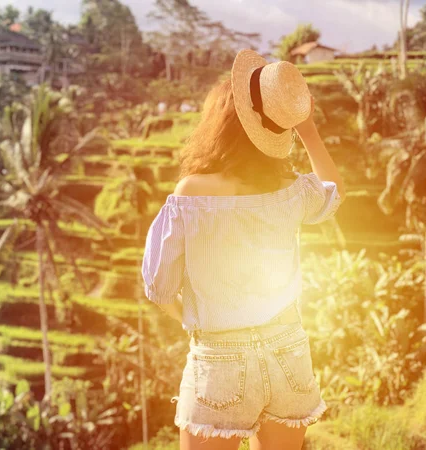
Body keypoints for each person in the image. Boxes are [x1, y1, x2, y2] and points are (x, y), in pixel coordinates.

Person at [141, 49, 346, 450]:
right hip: (289, 349)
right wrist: (309, 130)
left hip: (220, 356)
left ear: (222, 122)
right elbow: (333, 193)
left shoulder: (191, 194)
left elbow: (158, 286)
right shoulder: (290, 191)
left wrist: (196, 322)